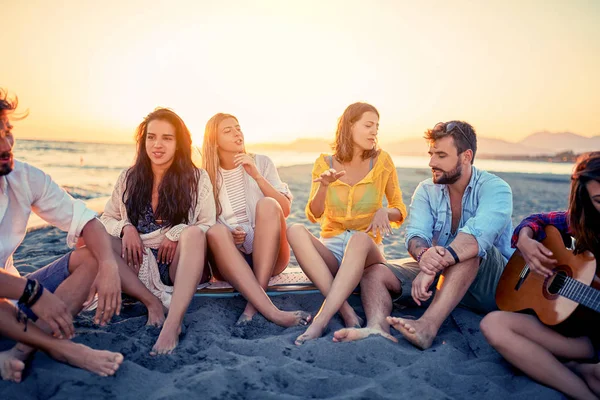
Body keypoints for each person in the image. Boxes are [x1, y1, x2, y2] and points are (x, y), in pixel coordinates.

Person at [335, 120, 513, 349]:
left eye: (441, 155)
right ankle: (377, 327)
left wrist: (432, 266)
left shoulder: (496, 188)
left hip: (492, 286)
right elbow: (416, 236)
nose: (431, 162)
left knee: (468, 250)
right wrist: (424, 257)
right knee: (374, 272)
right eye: (431, 154)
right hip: (441, 275)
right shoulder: (427, 190)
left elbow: (477, 237)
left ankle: (427, 327)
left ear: (466, 156)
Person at [0, 88, 123, 382]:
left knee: (92, 255)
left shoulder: (24, 178)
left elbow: (86, 221)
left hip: (12, 298)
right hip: (14, 295)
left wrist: (108, 265)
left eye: (7, 130)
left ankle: (19, 351)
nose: (6, 144)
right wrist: (32, 292)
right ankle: (60, 348)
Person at [480, 152, 600, 400]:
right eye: (599, 200)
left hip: (591, 340)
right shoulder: (584, 221)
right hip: (573, 333)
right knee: (493, 324)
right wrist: (525, 240)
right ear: (586, 200)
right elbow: (536, 220)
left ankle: (577, 369)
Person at [286, 102, 407, 345]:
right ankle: (345, 311)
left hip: (366, 252)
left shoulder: (382, 161)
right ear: (349, 126)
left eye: (377, 127)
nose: (374, 132)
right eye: (368, 125)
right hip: (332, 249)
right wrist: (324, 186)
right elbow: (313, 213)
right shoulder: (324, 162)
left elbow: (400, 209)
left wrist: (385, 211)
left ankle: (320, 321)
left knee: (359, 238)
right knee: (295, 230)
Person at [100, 108, 215, 355]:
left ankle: (172, 325)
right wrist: (126, 228)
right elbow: (106, 218)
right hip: (137, 262)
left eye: (167, 138)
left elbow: (207, 223)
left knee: (193, 234)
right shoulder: (129, 178)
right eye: (151, 137)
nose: (157, 145)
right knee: (99, 238)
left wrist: (176, 233)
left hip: (177, 265)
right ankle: (151, 303)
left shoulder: (197, 178)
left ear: (179, 143)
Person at [201, 113, 311, 327]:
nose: (237, 133)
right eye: (228, 130)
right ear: (214, 141)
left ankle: (254, 305)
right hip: (232, 260)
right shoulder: (206, 176)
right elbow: (202, 222)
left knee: (268, 204)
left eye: (238, 127)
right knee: (215, 231)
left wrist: (257, 176)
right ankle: (267, 306)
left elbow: (285, 209)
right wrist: (229, 235)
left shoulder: (261, 162)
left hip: (271, 258)